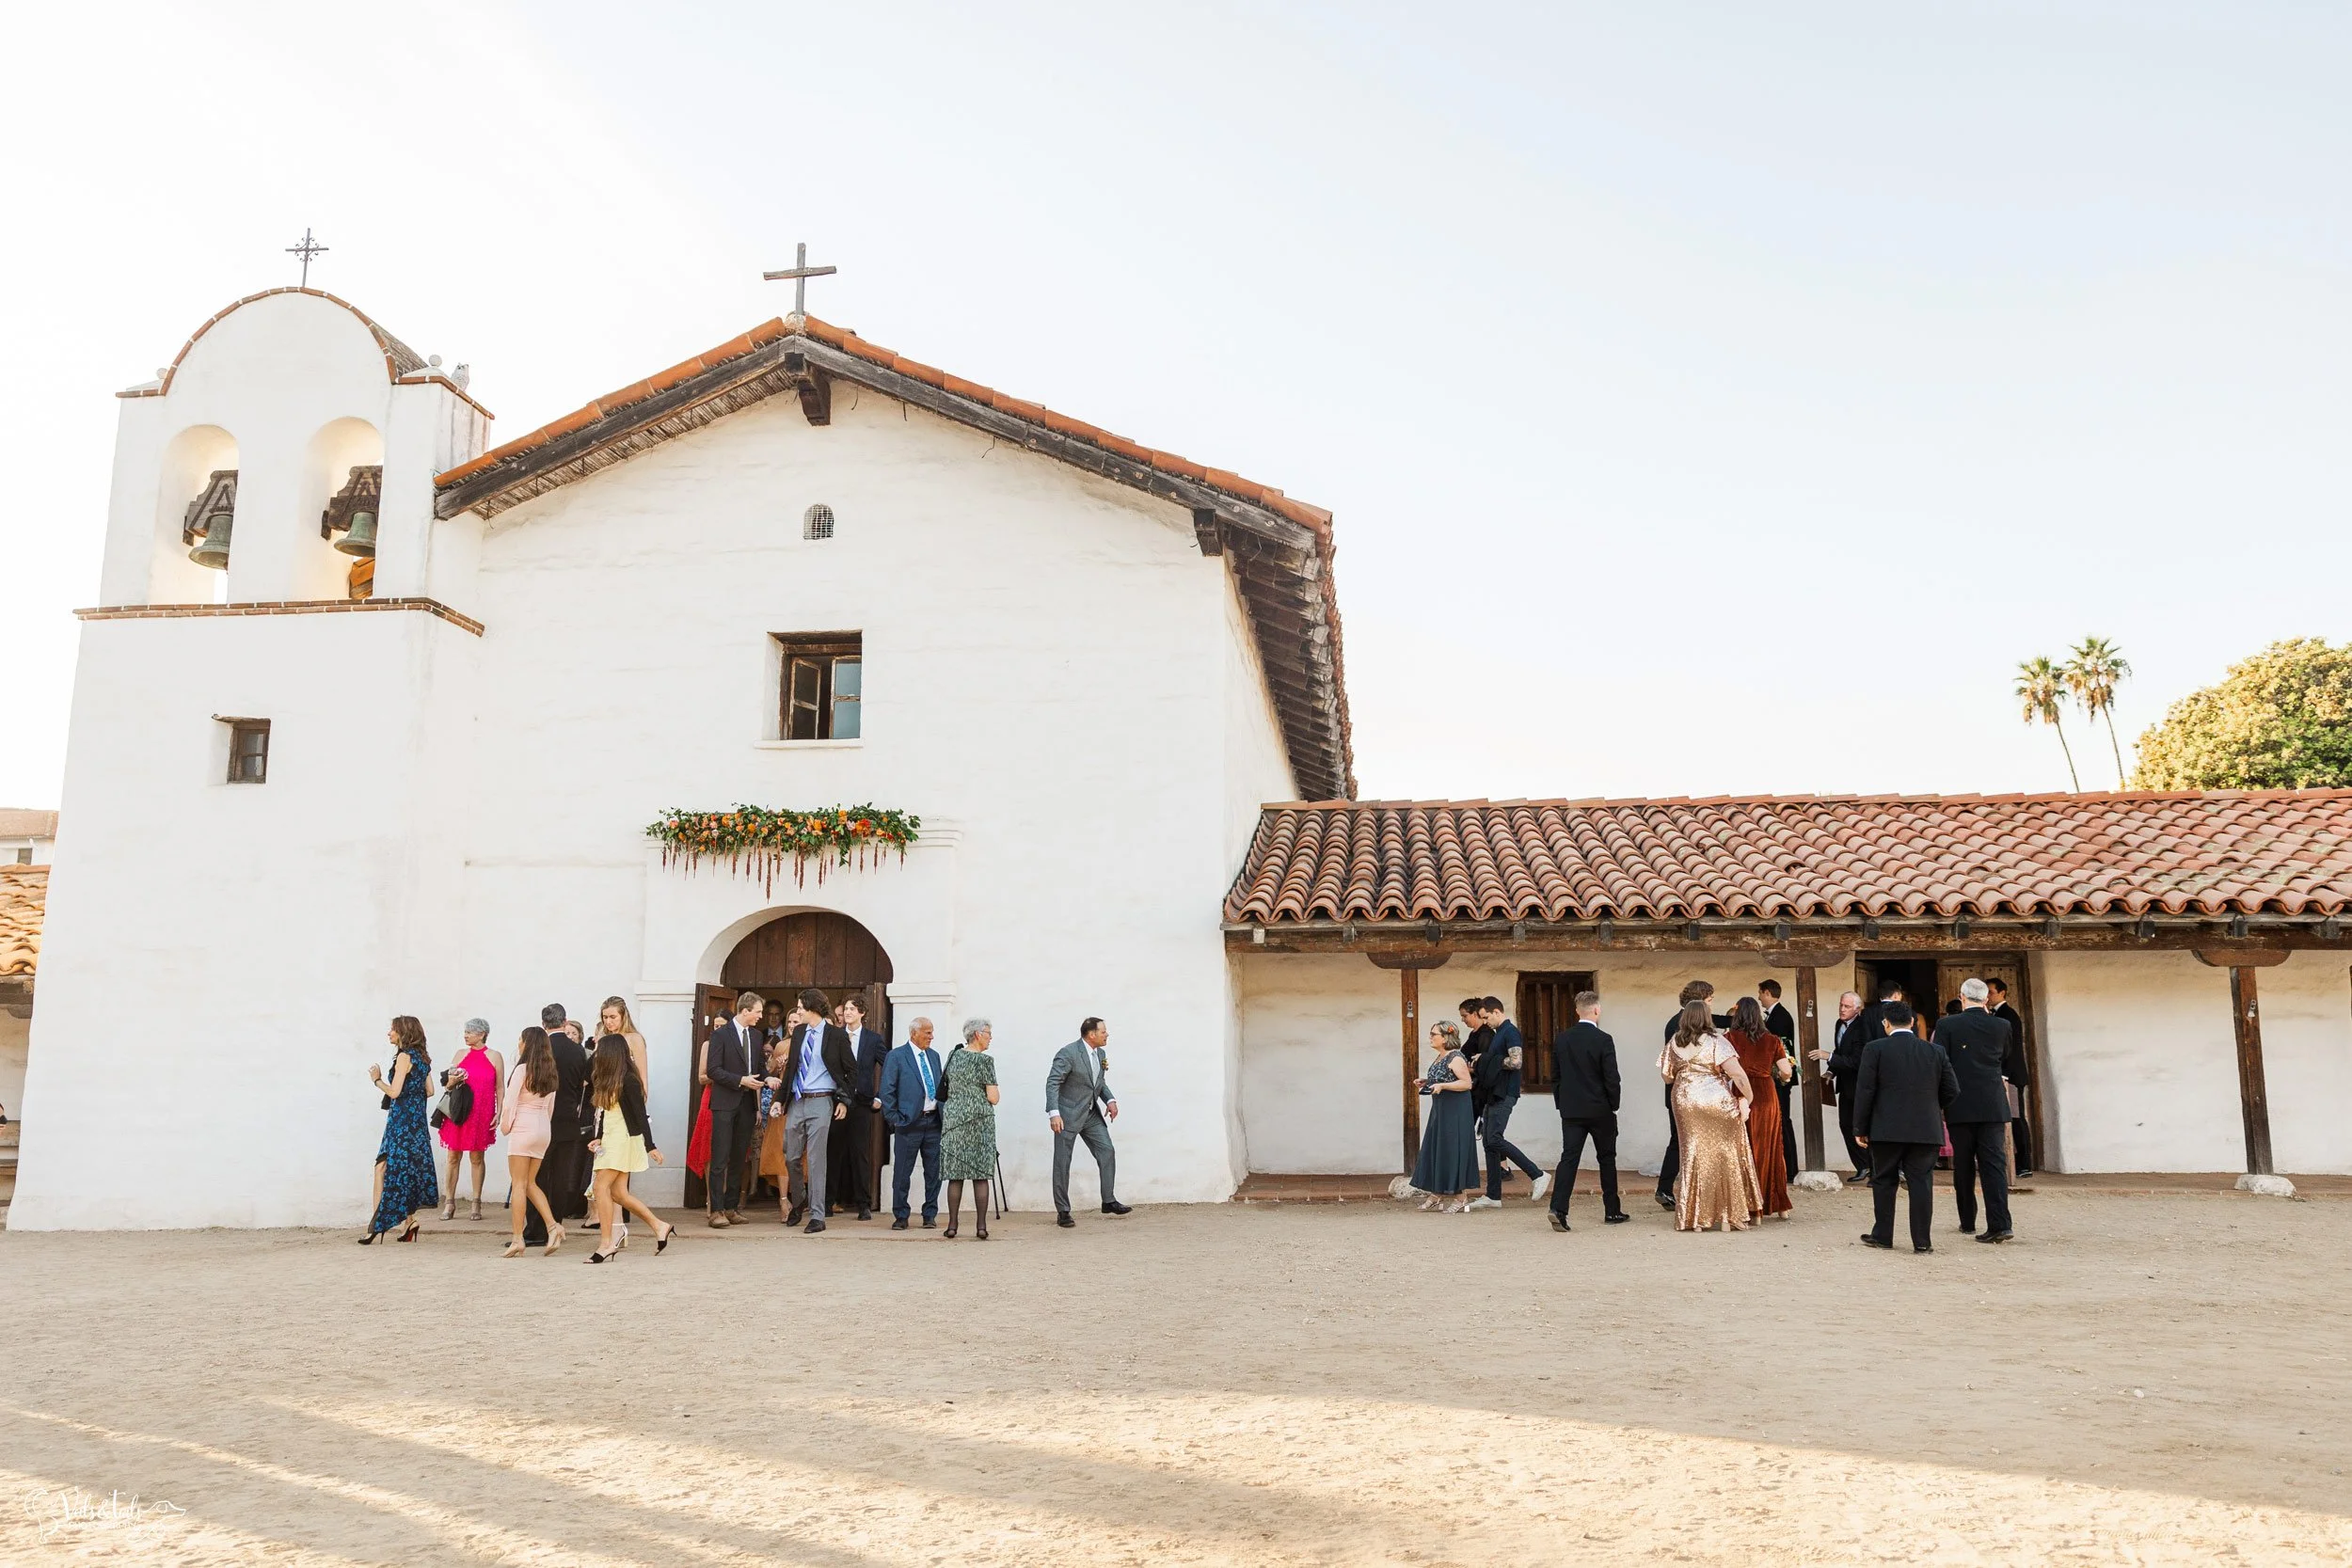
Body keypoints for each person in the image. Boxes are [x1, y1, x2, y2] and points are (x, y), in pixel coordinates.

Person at [1854, 1000, 1959, 1254]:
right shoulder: (1935, 1051)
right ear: (1913, 1023)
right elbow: (1952, 1090)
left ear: (1885, 1024)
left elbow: (1865, 1091)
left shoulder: (1875, 1049)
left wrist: (1860, 1127)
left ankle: (1883, 1235)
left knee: (1883, 1180)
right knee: (1921, 1183)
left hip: (1885, 1128)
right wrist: (1932, 1108)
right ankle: (1922, 1241)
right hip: (1925, 1128)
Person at [1662, 1000, 1762, 1233]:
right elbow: (1737, 1074)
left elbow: (1666, 1077)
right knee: (1727, 1153)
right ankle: (1730, 1215)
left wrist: (1687, 1072)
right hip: (1716, 1100)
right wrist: (1748, 1098)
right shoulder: (1717, 1041)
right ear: (1707, 1018)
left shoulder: (1675, 1041)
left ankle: (1694, 1217)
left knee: (1692, 1155)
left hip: (1685, 1099)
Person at [1935, 978, 2020, 1243]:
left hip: (1960, 1102)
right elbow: (2005, 1055)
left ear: (1961, 997)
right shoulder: (2002, 1025)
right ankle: (2000, 1223)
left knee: (1963, 1164)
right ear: (1985, 1000)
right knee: (1994, 1165)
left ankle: (1967, 1220)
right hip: (1993, 1102)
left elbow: (1942, 1061)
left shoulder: (1947, 1024)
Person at [585, 1035, 675, 1262]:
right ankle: (659, 1225)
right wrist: (598, 1137)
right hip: (611, 1139)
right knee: (618, 1193)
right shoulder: (610, 1079)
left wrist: (650, 1146)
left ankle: (606, 1244)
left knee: (600, 1187)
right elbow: (607, 1113)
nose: (597, 1056)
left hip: (624, 1139)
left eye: (600, 1051)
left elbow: (640, 1116)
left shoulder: (630, 1080)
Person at [774, 988, 855, 1233]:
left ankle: (818, 1215)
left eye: (800, 1008)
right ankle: (799, 1202)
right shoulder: (799, 1033)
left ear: (812, 1009)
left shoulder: (836, 1035)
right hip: (798, 1100)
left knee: (818, 1159)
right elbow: (790, 1070)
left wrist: (844, 1101)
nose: (797, 1012)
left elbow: (851, 1071)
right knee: (791, 1155)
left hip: (822, 1101)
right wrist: (780, 1099)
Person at [1547, 990, 1625, 1231]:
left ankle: (1558, 1208)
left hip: (1571, 1110)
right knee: (1607, 1159)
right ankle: (1612, 1211)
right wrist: (1614, 1105)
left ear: (1577, 1011)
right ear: (1597, 1010)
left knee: (1569, 1158)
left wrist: (1562, 1104)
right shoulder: (1603, 1039)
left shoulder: (1562, 1039)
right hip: (1600, 1108)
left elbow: (1556, 1076)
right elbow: (1612, 1078)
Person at [360, 1017, 438, 1243]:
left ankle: (375, 1226)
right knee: (406, 1171)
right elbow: (430, 1090)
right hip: (417, 1124)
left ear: (403, 1032)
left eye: (392, 1030)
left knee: (382, 1168)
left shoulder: (405, 1057)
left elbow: (394, 1092)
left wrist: (377, 1081)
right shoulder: (423, 1058)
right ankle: (410, 1222)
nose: (389, 1033)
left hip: (400, 1123)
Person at [1048, 1017, 1131, 1227]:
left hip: (1091, 1114)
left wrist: (1110, 1100)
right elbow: (1053, 1082)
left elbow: (1098, 1082)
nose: (1107, 1034)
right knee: (1062, 1162)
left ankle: (1108, 1200)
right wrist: (1054, 1112)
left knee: (1107, 1150)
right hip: (1067, 1116)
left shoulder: (1100, 1054)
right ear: (1091, 1034)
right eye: (1103, 1031)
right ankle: (1063, 1211)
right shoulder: (1068, 1053)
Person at [1654, 981, 1728, 1209]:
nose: (1711, 1005)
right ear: (1700, 1000)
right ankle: (1667, 1189)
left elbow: (1719, 1020)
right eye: (1709, 1000)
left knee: (1680, 1141)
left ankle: (1669, 1189)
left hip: (1684, 1093)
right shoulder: (1679, 1025)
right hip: (1686, 1093)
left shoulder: (1682, 1020)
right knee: (1681, 1141)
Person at [524, 1003, 592, 1247]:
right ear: (564, 1023)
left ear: (544, 1024)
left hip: (541, 1120)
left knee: (537, 1177)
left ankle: (536, 1231)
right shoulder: (578, 1051)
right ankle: (557, 1224)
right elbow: (583, 1083)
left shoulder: (538, 1049)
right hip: (568, 1120)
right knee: (561, 1178)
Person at [1469, 996, 1547, 1208]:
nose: (1485, 1022)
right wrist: (1480, 1060)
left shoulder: (1510, 1032)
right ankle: (1493, 1196)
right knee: (1487, 1142)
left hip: (1506, 1094)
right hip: (1494, 1093)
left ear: (1496, 1012)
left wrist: (1485, 1059)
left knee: (1494, 1138)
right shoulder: (1498, 1034)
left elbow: (1516, 1061)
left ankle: (1537, 1174)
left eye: (1486, 1017)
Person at [1724, 997, 1792, 1220]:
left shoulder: (1729, 1039)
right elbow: (1786, 1072)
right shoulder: (1772, 1040)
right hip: (1766, 1094)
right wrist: (1776, 1074)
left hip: (1739, 1093)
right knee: (1770, 1148)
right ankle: (1776, 1204)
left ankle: (1748, 1205)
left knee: (1743, 1149)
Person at [703, 991, 765, 1227]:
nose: (760, 1016)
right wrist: (741, 1080)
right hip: (724, 1103)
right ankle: (716, 1210)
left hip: (747, 1105)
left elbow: (759, 1068)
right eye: (758, 1012)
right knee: (720, 1157)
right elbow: (713, 1070)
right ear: (745, 1010)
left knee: (740, 1157)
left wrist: (768, 1079)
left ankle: (731, 1208)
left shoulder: (758, 1036)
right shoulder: (721, 1035)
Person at [500, 1026, 563, 1258]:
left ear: (527, 1043)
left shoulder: (522, 1070)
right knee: (530, 1183)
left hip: (523, 1127)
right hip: (542, 1128)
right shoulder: (551, 1071)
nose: (519, 1043)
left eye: (521, 1039)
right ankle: (553, 1227)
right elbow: (550, 1107)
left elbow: (510, 1103)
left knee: (518, 1184)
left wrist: (505, 1127)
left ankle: (518, 1238)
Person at [1824, 984, 1898, 1184]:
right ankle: (1862, 1166)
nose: (1842, 1009)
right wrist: (1832, 1070)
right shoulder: (1839, 1025)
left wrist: (1828, 1056)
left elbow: (1858, 1060)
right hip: (1845, 1085)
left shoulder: (1863, 1026)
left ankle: (1876, 1171)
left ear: (1858, 1009)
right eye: (1841, 1005)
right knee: (1845, 1125)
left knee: (1865, 1128)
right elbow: (1842, 1053)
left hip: (1861, 1085)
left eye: (1847, 1006)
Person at [881, 1017, 946, 1228]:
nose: (931, 1037)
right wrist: (895, 1119)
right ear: (914, 1033)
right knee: (902, 1172)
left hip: (933, 1122)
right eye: (927, 1032)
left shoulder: (934, 1056)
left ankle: (929, 1214)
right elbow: (887, 1090)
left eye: (932, 1032)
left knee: (934, 1172)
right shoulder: (897, 1056)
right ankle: (901, 1215)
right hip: (908, 1124)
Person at [939, 1018, 1001, 1239]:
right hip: (979, 1120)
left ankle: (952, 1225)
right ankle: (981, 1226)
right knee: (980, 1175)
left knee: (955, 1175)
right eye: (988, 1033)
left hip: (954, 1119)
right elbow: (993, 1097)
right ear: (977, 1034)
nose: (990, 1037)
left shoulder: (953, 1056)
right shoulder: (985, 1062)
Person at [436, 1019, 502, 1222]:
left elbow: (499, 1087)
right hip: (459, 1110)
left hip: (481, 1112)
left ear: (482, 1034)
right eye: (465, 1031)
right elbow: (447, 1085)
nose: (466, 1035)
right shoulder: (460, 1054)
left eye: (470, 1032)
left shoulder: (494, 1056)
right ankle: (449, 1202)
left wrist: (499, 1112)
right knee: (453, 1157)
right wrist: (452, 1080)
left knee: (477, 1157)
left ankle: (476, 1201)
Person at [828, 995, 888, 1221]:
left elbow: (889, 1066)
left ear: (862, 1012)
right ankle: (828, 1202)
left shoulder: (873, 1040)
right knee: (833, 1152)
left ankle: (863, 1204)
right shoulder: (835, 1036)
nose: (848, 1013)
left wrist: (880, 1097)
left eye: (853, 1009)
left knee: (859, 1154)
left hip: (861, 1103)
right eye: (846, 1009)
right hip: (836, 1102)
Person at [1409, 1020, 1480, 1212]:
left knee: (1452, 1150)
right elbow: (1443, 1078)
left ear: (1446, 1037)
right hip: (1440, 1110)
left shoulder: (1456, 1057)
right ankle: (1437, 1193)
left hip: (1455, 1112)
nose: (1430, 1037)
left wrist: (1442, 1086)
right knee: (1438, 1149)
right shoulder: (1441, 1057)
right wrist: (1426, 1082)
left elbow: (1466, 1083)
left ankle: (1460, 1197)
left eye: (1434, 1034)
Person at [1989, 977, 2034, 1176]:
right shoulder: (1997, 1014)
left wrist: (2005, 1074)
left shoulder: (2008, 1015)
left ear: (2002, 993)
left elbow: (2010, 1048)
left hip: (2012, 1076)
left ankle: (2024, 1163)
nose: (1988, 996)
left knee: (2016, 1118)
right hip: (2004, 1075)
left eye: (1991, 992)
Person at [1757, 979, 1800, 1182]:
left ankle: (1790, 1169)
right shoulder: (1775, 1015)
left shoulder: (1780, 1017)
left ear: (1767, 993)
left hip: (1780, 1079)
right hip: (1777, 1077)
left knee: (1783, 1121)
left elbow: (1781, 1051)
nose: (1759, 997)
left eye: (1760, 993)